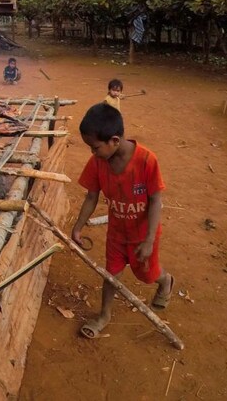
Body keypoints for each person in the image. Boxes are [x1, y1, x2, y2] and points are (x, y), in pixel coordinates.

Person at [71, 103, 173, 339]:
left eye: (95, 147)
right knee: (111, 276)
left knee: (146, 275)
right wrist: (77, 228)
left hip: (142, 236)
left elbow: (156, 200)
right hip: (117, 234)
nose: (92, 153)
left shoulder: (147, 160)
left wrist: (148, 241)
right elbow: (91, 195)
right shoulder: (98, 162)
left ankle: (165, 281)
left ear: (114, 140)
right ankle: (104, 315)